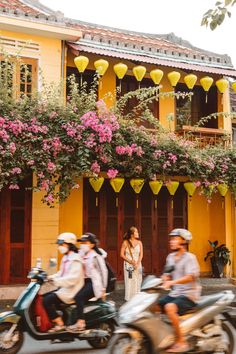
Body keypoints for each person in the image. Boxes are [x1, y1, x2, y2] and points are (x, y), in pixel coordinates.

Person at [158, 228, 201, 353]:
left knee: (170, 308)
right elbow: (167, 273)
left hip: (189, 294)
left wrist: (172, 282)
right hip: (175, 293)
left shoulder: (190, 258)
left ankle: (181, 341)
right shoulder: (170, 257)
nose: (171, 241)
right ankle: (163, 335)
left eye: (175, 239)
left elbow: (191, 276)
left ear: (183, 241)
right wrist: (163, 279)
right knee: (153, 306)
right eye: (171, 239)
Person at [43, 232, 84, 332]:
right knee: (43, 297)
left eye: (62, 244)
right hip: (65, 288)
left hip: (72, 290)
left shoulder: (75, 259)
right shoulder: (66, 258)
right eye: (59, 245)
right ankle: (63, 319)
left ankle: (60, 324)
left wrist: (56, 281)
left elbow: (72, 279)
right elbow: (61, 273)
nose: (60, 247)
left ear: (70, 245)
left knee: (47, 300)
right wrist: (49, 277)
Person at [67, 232, 108, 333]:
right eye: (82, 242)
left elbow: (103, 272)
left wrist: (103, 288)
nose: (83, 244)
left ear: (92, 244)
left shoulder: (96, 256)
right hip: (83, 282)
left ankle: (81, 322)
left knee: (79, 297)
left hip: (93, 283)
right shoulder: (82, 253)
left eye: (86, 242)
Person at [120, 226, 143, 301]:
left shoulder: (139, 242)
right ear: (132, 234)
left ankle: (137, 297)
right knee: (129, 280)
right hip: (129, 265)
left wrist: (138, 263)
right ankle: (129, 298)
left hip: (138, 264)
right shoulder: (125, 242)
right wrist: (130, 261)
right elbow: (122, 254)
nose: (137, 233)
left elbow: (141, 254)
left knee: (138, 279)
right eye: (136, 232)